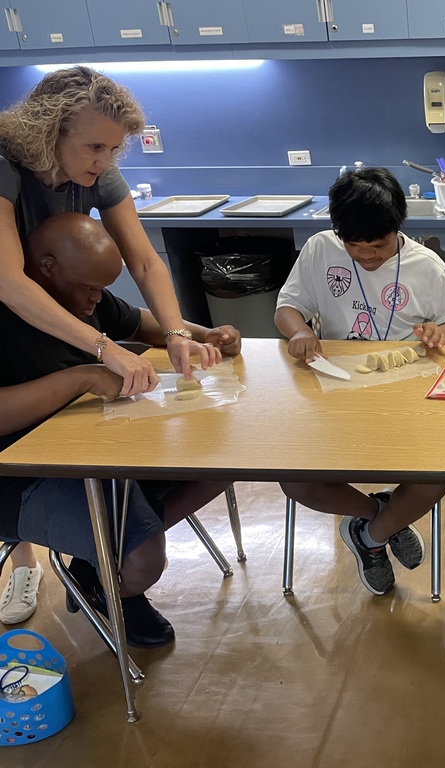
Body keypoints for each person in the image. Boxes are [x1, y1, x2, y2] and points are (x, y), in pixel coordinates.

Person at [0, 66, 225, 614]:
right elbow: (10, 280)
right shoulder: (7, 168)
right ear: (49, 131)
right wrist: (103, 351)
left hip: (56, 342)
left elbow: (145, 261)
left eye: (113, 150)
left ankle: (104, 561)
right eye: (94, 147)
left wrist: (177, 332)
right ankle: (74, 558)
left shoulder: (95, 182)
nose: (104, 163)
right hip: (19, 341)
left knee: (202, 460)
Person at [0, 212, 240, 646]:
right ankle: (114, 582)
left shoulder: (84, 297)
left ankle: (102, 565)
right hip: (19, 475)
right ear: (46, 266)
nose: (96, 300)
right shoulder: (8, 311)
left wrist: (201, 334)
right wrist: (83, 377)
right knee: (144, 562)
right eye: (88, 289)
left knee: (226, 459)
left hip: (89, 448)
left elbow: (142, 325)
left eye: (102, 289)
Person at [275, 166, 445, 596]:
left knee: (435, 478)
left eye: (378, 246)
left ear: (398, 228)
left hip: (407, 395)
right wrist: (300, 331)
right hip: (336, 390)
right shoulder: (319, 250)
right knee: (296, 479)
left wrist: (440, 333)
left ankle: (371, 537)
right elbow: (288, 307)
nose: (365, 256)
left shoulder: (426, 266)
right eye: (355, 246)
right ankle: (381, 515)